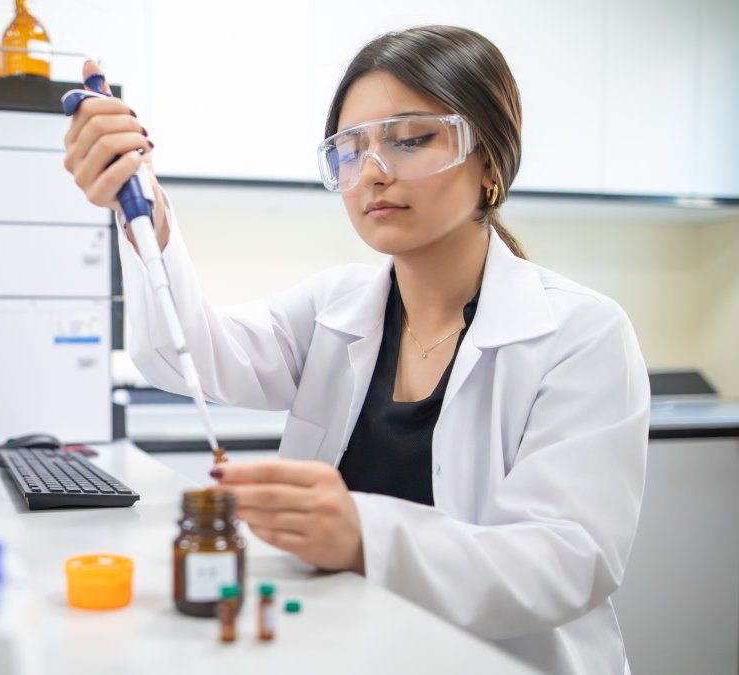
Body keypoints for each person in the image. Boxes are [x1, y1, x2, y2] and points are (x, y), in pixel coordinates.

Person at [63, 25, 649, 675]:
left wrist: (362, 533)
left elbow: (565, 562)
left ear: (489, 161)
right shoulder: (334, 308)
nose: (372, 171)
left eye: (412, 138)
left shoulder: (581, 334)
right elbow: (182, 356)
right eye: (350, 148)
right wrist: (147, 215)